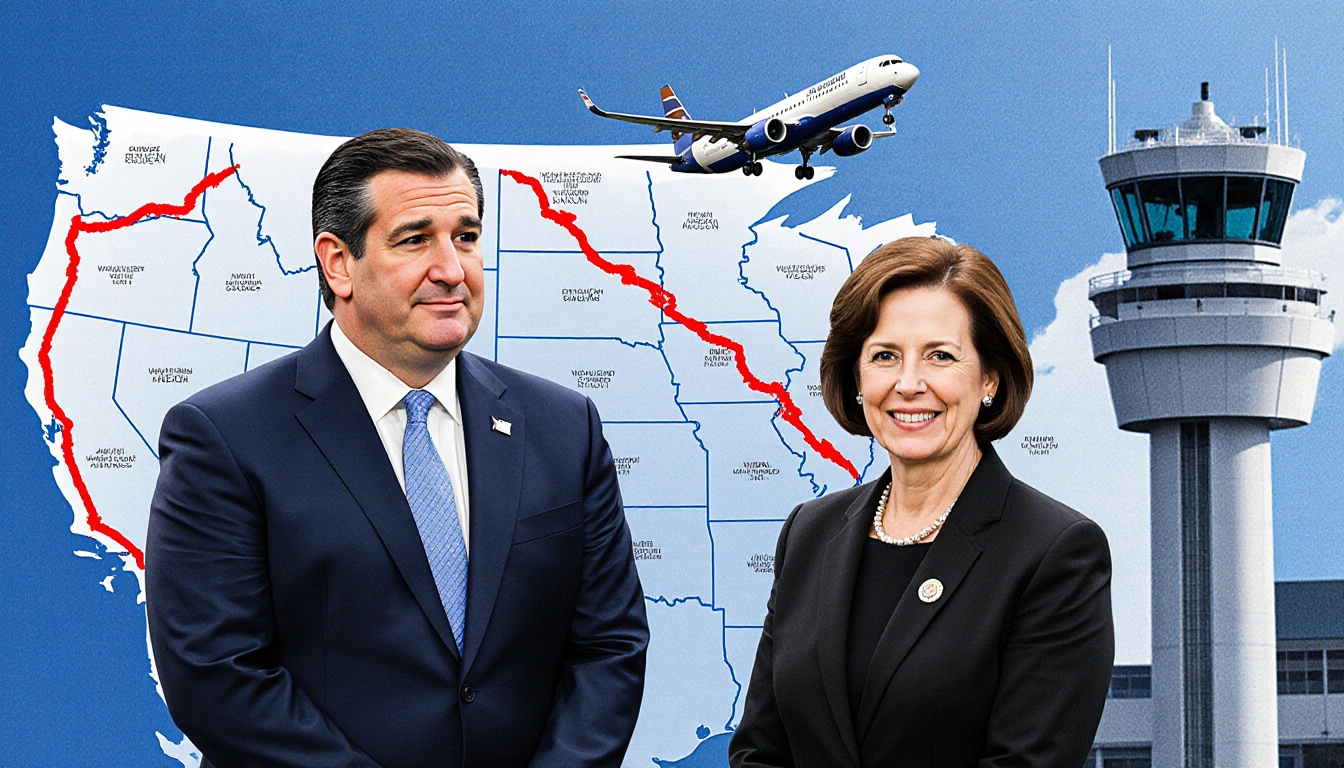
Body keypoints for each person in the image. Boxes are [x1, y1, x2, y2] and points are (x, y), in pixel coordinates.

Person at [146, 128, 649, 768]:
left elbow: (609, 646)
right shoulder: (225, 437)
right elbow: (217, 675)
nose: (452, 269)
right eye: (415, 240)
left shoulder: (563, 426)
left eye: (466, 237)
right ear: (338, 263)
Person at [729, 237, 1113, 767]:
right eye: (885, 356)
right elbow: (759, 750)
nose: (909, 384)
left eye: (940, 356)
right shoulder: (809, 533)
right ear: (857, 378)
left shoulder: (1054, 552)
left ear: (990, 379)